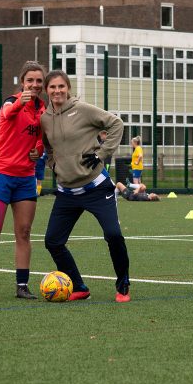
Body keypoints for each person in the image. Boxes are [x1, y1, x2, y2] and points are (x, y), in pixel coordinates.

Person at [40, 69, 132, 303]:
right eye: (53, 87)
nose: (57, 91)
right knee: (53, 241)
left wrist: (102, 154)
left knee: (113, 235)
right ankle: (79, 286)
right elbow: (48, 147)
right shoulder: (44, 118)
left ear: (68, 88)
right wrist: (53, 164)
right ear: (47, 90)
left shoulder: (82, 109)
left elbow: (116, 124)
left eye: (61, 86)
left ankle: (123, 285)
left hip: (96, 189)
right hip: (66, 193)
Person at [0, 63, 45, 301]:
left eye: (38, 81)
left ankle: (22, 286)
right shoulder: (11, 102)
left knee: (23, 232)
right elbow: (6, 114)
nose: (34, 85)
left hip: (25, 179)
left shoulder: (43, 110)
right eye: (30, 80)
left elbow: (41, 141)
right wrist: (19, 102)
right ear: (22, 82)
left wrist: (38, 151)